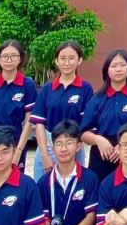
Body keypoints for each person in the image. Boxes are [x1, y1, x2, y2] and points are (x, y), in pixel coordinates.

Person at [32, 40, 93, 172]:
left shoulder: (86, 88)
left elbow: (86, 123)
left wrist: (75, 144)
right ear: (56, 61)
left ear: (79, 60)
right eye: (62, 58)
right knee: (44, 183)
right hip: (48, 145)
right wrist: (45, 155)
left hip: (74, 145)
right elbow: (39, 124)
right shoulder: (47, 89)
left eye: (71, 58)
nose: (66, 63)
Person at [80, 49, 127, 167]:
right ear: (107, 70)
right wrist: (98, 140)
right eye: (114, 66)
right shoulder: (97, 99)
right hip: (101, 157)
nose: (118, 69)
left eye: (123, 65)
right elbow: (83, 133)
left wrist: (125, 145)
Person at [0, 39, 36, 172]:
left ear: (20, 59)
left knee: (14, 180)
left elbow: (29, 121)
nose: (9, 60)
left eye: (14, 56)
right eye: (5, 56)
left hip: (15, 140)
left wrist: (19, 150)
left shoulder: (27, 85)